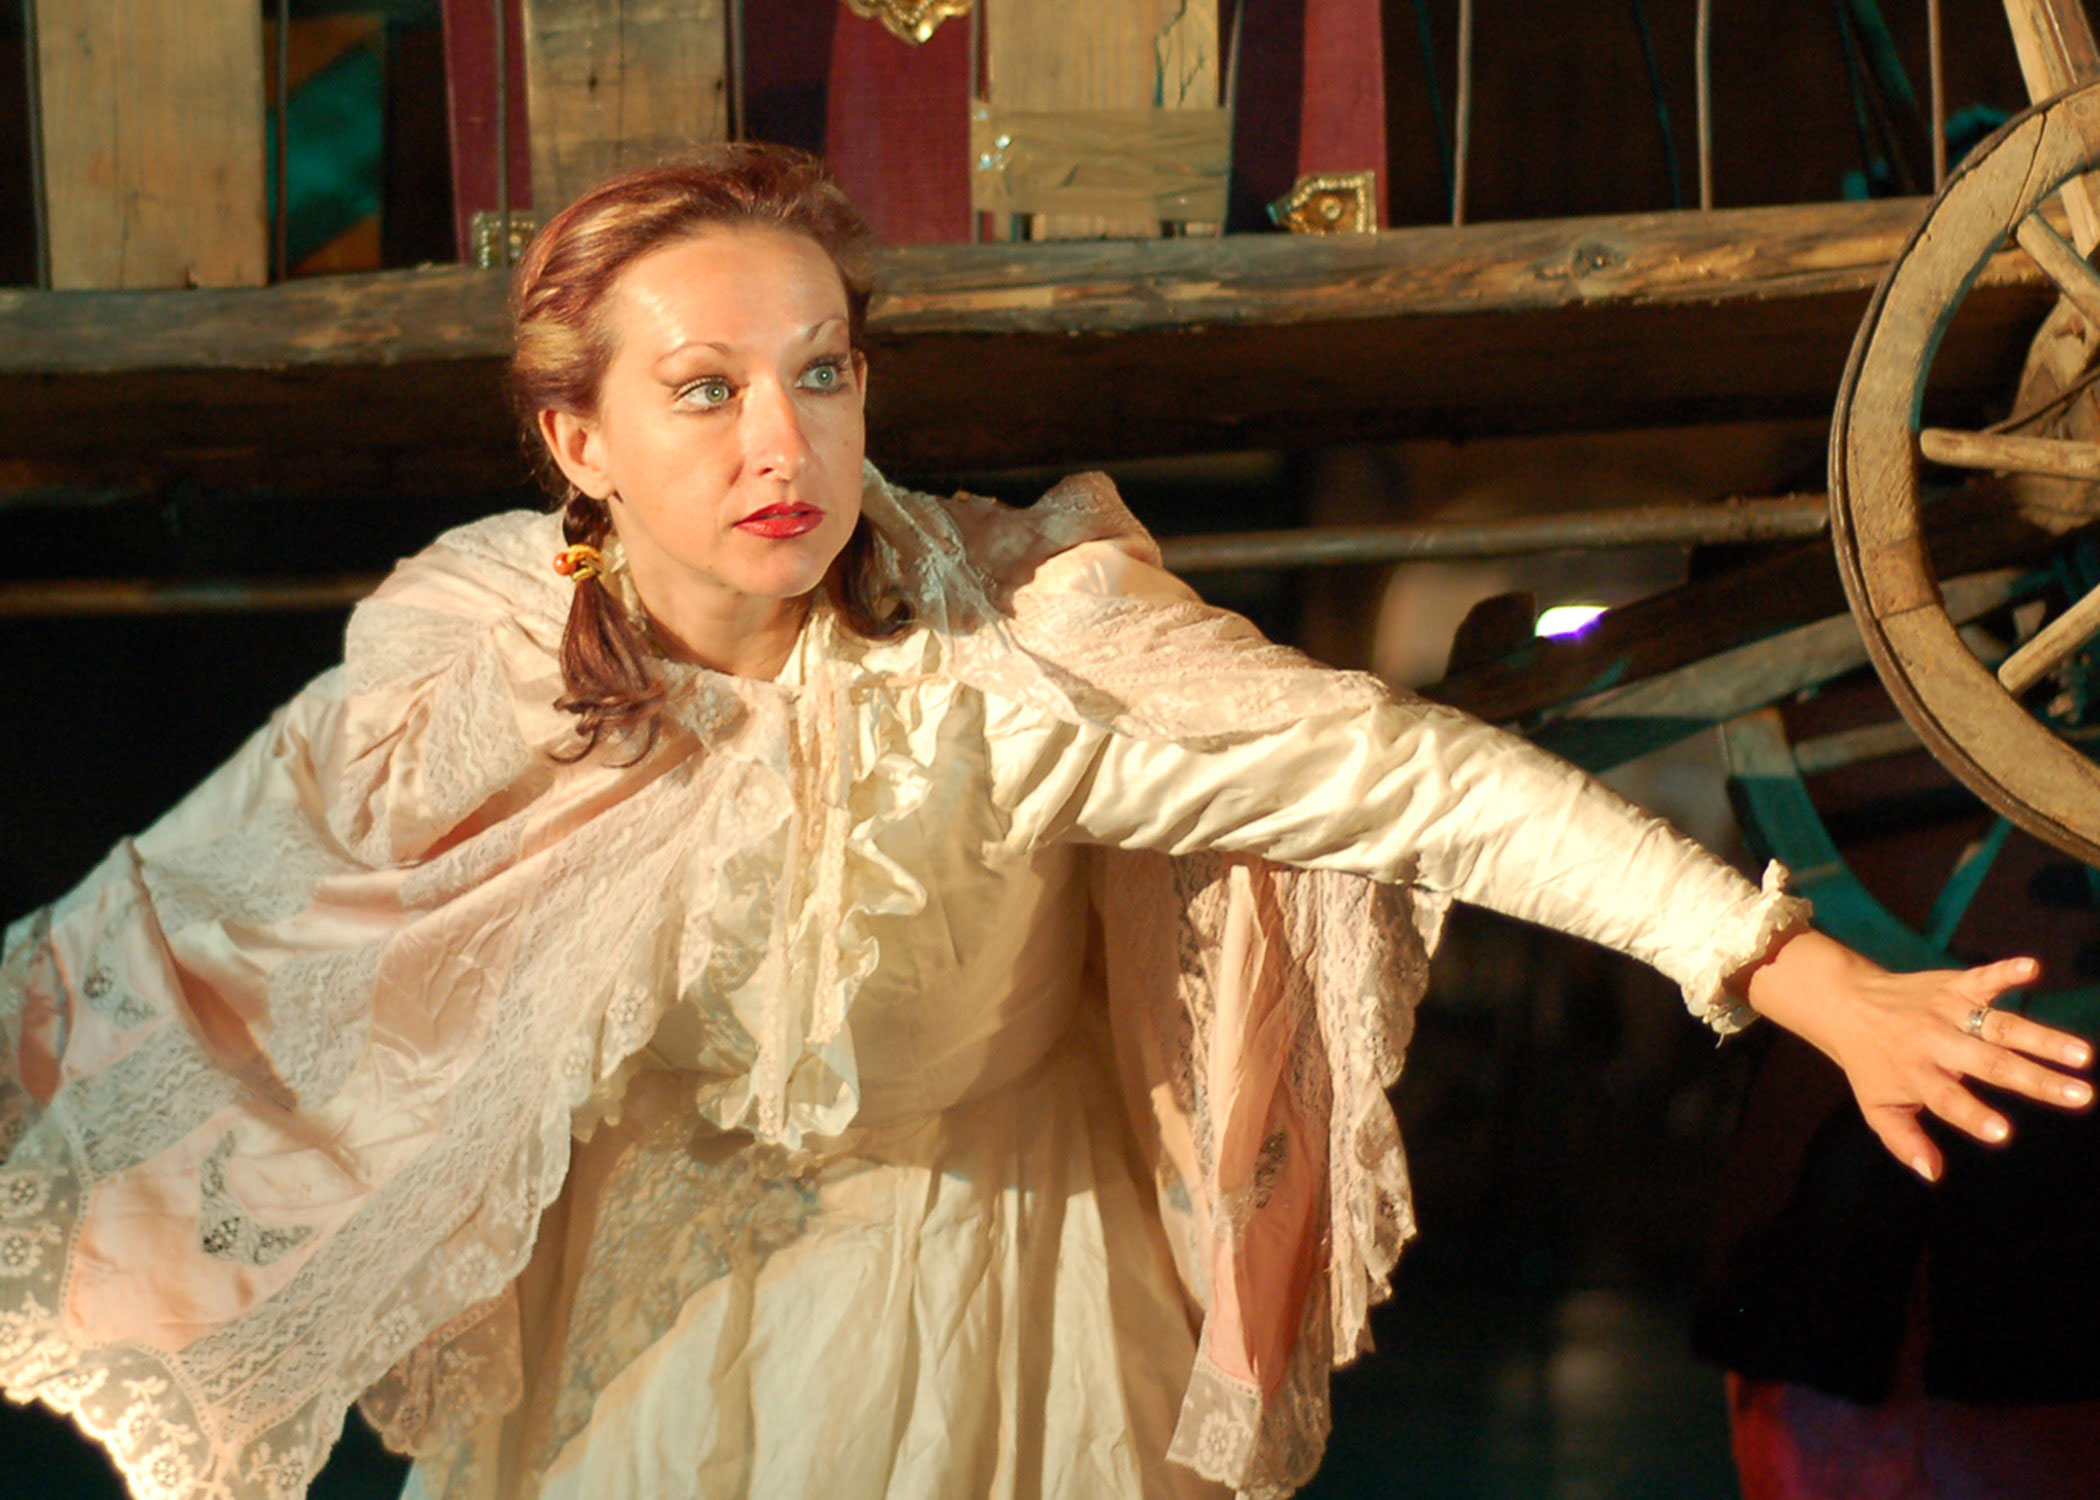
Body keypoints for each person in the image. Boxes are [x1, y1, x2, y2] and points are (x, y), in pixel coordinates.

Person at [0, 145, 2090, 1500]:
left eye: (824, 374)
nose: (784, 440)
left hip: (983, 1296)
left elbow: (1408, 776)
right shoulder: (478, 664)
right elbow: (191, 925)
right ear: (580, 438)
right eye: (706, 389)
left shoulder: (1013, 657)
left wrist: (1789, 969)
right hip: (641, 1320)